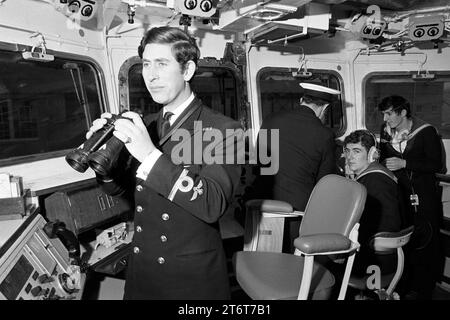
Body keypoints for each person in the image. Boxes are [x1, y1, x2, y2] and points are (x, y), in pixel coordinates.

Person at [87, 26, 244, 299]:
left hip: (189, 278)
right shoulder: (146, 125)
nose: (151, 75)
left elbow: (212, 204)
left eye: (162, 63)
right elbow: (127, 193)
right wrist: (103, 165)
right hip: (142, 270)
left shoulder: (224, 130)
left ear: (188, 70)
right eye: (146, 64)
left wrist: (149, 155)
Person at [249, 83, 339, 253]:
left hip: (265, 203)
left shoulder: (271, 120)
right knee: (293, 260)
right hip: (298, 209)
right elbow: (324, 181)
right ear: (324, 108)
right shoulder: (324, 134)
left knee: (266, 256)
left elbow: (260, 164)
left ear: (301, 100)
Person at [378, 95, 444, 299]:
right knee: (404, 241)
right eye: (383, 114)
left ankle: (424, 288)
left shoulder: (426, 132)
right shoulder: (385, 132)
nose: (385, 118)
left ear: (403, 112)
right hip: (400, 195)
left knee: (426, 242)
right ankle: (403, 284)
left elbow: (437, 165)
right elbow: (383, 157)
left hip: (424, 196)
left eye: (389, 113)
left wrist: (405, 164)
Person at [343, 130, 402, 276]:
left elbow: (385, 225)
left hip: (375, 259)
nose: (350, 157)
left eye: (356, 151)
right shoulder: (373, 175)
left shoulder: (376, 180)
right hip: (377, 252)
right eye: (347, 151)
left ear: (372, 154)